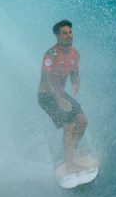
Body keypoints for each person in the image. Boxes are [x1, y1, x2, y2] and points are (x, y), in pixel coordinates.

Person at [38, 19, 88, 172]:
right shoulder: (50, 55)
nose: (69, 36)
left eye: (70, 32)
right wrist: (59, 99)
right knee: (69, 125)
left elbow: (74, 72)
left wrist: (75, 82)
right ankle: (70, 165)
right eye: (65, 33)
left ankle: (69, 151)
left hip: (61, 93)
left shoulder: (75, 53)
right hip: (46, 95)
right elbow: (46, 80)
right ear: (57, 36)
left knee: (82, 121)